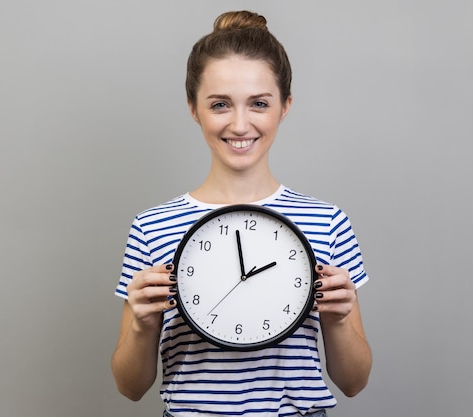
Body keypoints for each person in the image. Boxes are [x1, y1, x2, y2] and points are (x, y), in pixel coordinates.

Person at [111, 10, 372, 416]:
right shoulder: (152, 226)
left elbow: (354, 382)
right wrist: (144, 326)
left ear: (284, 106)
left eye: (259, 103)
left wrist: (337, 322)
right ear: (193, 108)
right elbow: (130, 387)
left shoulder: (327, 221)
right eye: (219, 104)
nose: (239, 123)